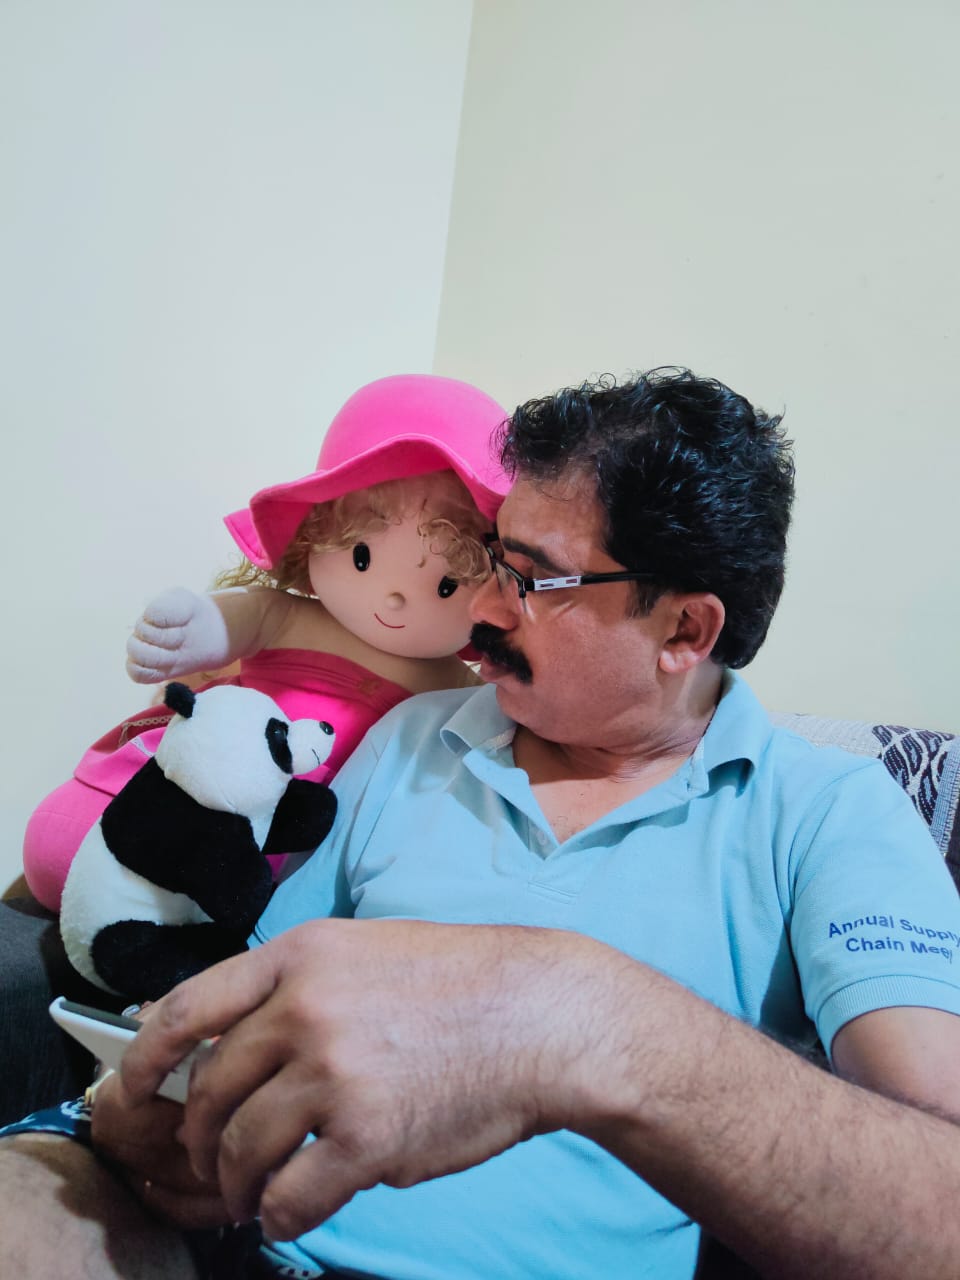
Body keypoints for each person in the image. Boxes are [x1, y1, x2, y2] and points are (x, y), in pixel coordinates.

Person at [3, 367, 960, 1280]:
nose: (485, 606)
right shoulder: (415, 734)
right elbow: (254, 980)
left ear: (685, 631)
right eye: (494, 560)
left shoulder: (832, 810)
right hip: (227, 1227)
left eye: (533, 581)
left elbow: (938, 1213)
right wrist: (154, 1089)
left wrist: (581, 1020)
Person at [21, 372, 509, 913]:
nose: (393, 601)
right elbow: (231, 620)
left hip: (303, 837)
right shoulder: (291, 616)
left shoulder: (454, 688)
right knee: (62, 843)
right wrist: (184, 632)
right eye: (362, 556)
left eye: (446, 585)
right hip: (214, 767)